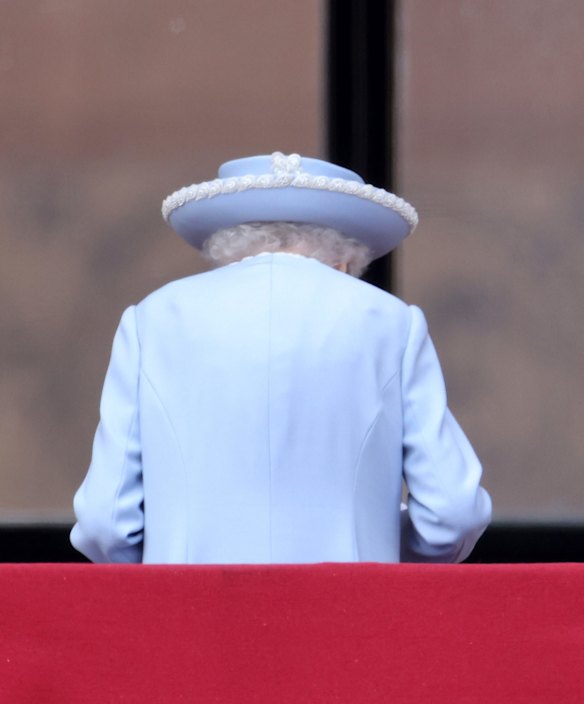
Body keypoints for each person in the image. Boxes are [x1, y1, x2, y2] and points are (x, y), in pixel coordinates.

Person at [70, 151, 491, 564]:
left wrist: (167, 563)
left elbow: (104, 524)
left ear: (226, 247)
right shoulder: (392, 322)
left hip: (188, 619)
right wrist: (374, 547)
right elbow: (452, 514)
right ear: (344, 259)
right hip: (349, 619)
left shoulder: (153, 320)